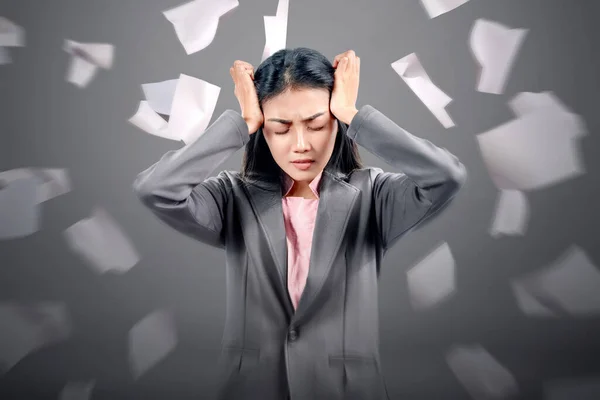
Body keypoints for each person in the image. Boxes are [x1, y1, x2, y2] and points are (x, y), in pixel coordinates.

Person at [133, 47, 467, 400]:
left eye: (317, 124)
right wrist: (242, 123)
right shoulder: (232, 197)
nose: (301, 145)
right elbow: (155, 189)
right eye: (280, 128)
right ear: (263, 129)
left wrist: (354, 115)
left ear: (335, 122)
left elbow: (445, 176)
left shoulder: (374, 196)